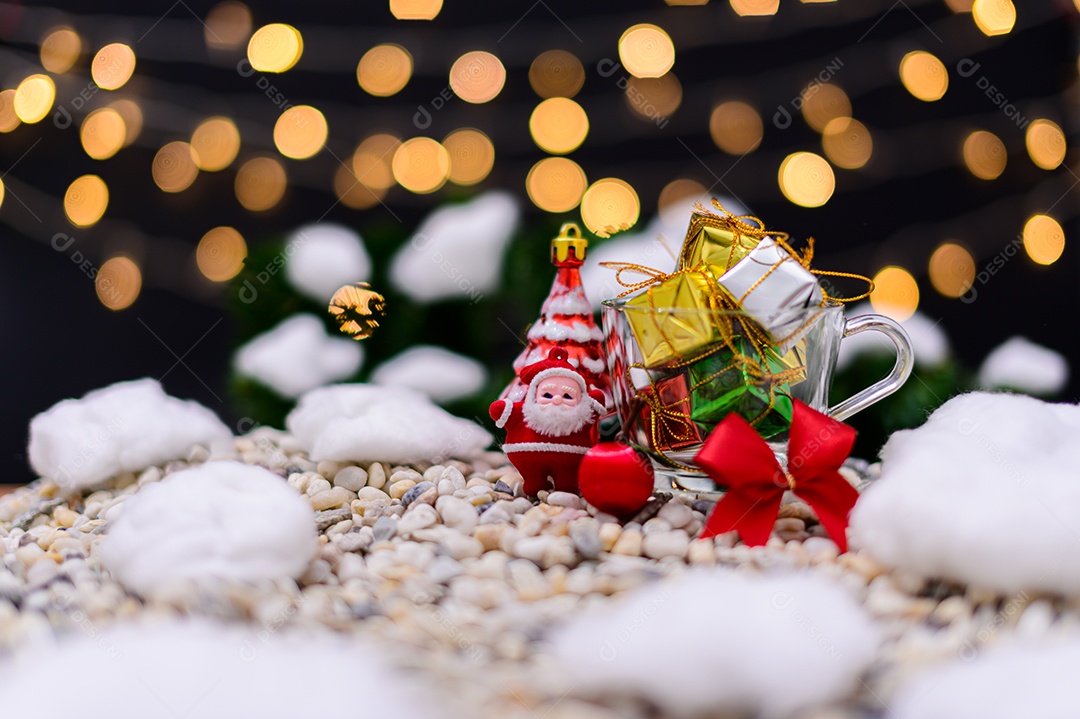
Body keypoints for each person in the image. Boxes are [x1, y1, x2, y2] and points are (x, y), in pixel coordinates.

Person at [489, 348, 605, 496]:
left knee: (567, 485)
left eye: (568, 396)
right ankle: (533, 481)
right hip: (529, 458)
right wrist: (503, 409)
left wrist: (595, 400)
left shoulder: (582, 415)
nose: (557, 400)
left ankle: (566, 484)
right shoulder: (523, 412)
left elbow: (595, 406)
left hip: (569, 460)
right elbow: (502, 410)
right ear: (534, 395)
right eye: (548, 395)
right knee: (533, 485)